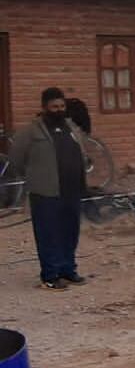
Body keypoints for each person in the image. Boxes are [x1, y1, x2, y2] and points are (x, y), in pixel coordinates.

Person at [13, 88, 90, 290]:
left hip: (71, 190)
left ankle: (68, 270)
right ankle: (50, 275)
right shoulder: (32, 131)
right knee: (48, 233)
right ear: (45, 107)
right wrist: (34, 177)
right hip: (45, 192)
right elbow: (17, 160)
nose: (59, 110)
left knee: (70, 231)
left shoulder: (70, 127)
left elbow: (81, 152)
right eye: (54, 106)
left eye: (62, 106)